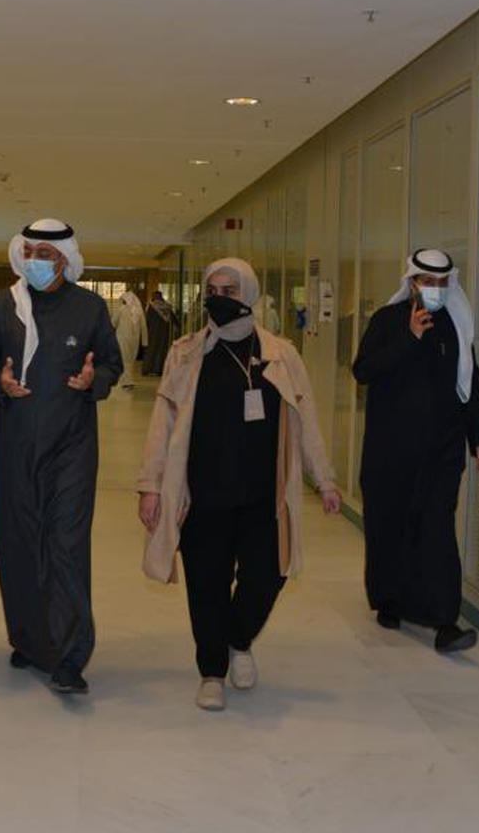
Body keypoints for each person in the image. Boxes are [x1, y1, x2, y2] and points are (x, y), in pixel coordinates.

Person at [137, 258, 340, 711]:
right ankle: (212, 671)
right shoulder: (186, 353)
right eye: (211, 291)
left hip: (263, 497)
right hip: (203, 495)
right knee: (206, 586)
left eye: (228, 291)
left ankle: (238, 640)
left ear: (248, 294)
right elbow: (161, 424)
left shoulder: (281, 354)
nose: (218, 299)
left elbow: (306, 419)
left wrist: (324, 478)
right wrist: (150, 484)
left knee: (268, 576)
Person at [0, 218, 123, 694]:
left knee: (65, 546)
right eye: (30, 252)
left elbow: (112, 363)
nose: (36, 261)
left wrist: (93, 381)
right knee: (18, 542)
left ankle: (70, 656)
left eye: (46, 254)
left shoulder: (90, 307)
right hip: (16, 446)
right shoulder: (4, 306)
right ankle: (30, 640)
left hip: (71, 449)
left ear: (65, 259)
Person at [352, 248, 479, 653]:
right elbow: (363, 370)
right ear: (412, 282)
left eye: (442, 282)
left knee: (436, 529)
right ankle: (390, 600)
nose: (435, 289)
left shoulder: (455, 325)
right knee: (390, 524)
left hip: (441, 450)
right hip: (390, 450)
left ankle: (445, 621)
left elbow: (469, 382)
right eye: (427, 282)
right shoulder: (387, 320)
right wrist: (409, 338)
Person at [113, 288, 148, 390]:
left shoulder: (121, 309)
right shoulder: (138, 311)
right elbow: (144, 327)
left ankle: (126, 381)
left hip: (122, 338)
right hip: (134, 340)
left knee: (124, 359)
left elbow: (113, 323)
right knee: (131, 360)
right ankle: (127, 380)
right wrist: (144, 342)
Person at [142, 290, 178, 376]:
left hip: (153, 332)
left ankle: (148, 368)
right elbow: (173, 319)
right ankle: (159, 369)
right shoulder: (167, 306)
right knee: (162, 350)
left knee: (151, 349)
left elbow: (147, 320)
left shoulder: (152, 306)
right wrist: (178, 326)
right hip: (164, 333)